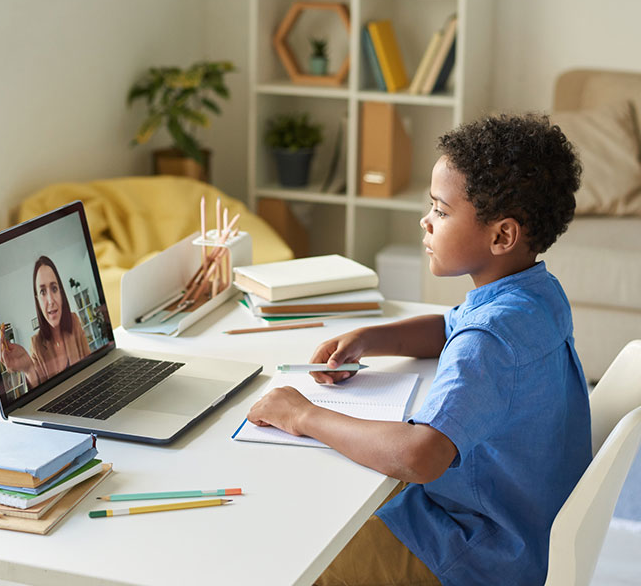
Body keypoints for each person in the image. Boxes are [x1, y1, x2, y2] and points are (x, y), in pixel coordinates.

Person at [247, 114, 591, 585]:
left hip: (471, 548)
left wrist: (302, 416)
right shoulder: (534, 297)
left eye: (442, 211)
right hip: (518, 527)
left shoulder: (489, 341)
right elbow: (449, 326)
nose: (425, 221)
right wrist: (372, 338)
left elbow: (420, 457)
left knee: (303, 566)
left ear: (501, 235)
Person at [0, 256, 91, 389]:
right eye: (42, 291)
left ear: (61, 292)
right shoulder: (36, 345)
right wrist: (28, 368)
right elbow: (39, 392)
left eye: (54, 289)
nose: (51, 300)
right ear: (38, 300)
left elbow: (91, 362)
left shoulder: (74, 321)